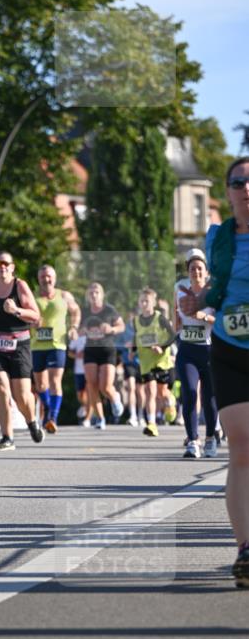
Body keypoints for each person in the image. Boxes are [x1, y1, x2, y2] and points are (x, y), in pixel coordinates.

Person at [180, 156, 249, 587]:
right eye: (239, 181)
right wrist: (199, 303)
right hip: (230, 345)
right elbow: (213, 292)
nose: (246, 188)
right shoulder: (221, 238)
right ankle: (246, 549)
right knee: (241, 447)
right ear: (227, 192)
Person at [0, 251, 43, 451]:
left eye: (6, 263)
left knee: (21, 395)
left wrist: (16, 311)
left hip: (19, 344)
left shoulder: (20, 286)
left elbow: (35, 316)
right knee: (0, 387)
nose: (2, 267)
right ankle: (7, 436)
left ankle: (31, 421)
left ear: (12, 267)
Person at [174, 249, 217, 459]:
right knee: (189, 392)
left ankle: (210, 438)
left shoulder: (214, 292)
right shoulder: (179, 289)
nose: (196, 272)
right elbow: (176, 316)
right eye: (192, 268)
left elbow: (221, 322)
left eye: (200, 268)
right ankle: (192, 441)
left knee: (209, 397)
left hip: (209, 350)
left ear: (206, 272)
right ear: (188, 271)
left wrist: (203, 317)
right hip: (187, 349)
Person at [32, 264, 80, 433]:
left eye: (49, 276)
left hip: (57, 344)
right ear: (39, 279)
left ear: (55, 278)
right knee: (41, 384)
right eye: (43, 276)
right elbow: (23, 315)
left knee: (54, 380)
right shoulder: (32, 297)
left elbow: (76, 311)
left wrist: (74, 327)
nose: (46, 279)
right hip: (36, 345)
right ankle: (46, 409)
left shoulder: (64, 295)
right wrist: (31, 322)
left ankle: (53, 417)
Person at [80, 282, 125, 430]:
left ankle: (115, 398)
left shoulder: (109, 310)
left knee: (105, 386)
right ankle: (100, 418)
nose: (94, 295)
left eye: (96, 292)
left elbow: (121, 326)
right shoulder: (84, 311)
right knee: (91, 384)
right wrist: (81, 331)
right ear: (88, 295)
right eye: (91, 293)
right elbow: (77, 329)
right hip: (90, 349)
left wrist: (111, 329)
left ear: (102, 295)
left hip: (107, 349)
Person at [133, 287, 177, 438]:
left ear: (153, 303)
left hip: (162, 361)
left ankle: (170, 402)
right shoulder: (136, 320)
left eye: (147, 301)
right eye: (142, 301)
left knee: (162, 393)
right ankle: (151, 423)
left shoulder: (160, 318)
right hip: (146, 363)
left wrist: (162, 347)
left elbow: (172, 336)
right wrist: (132, 350)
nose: (144, 304)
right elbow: (137, 337)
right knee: (150, 392)